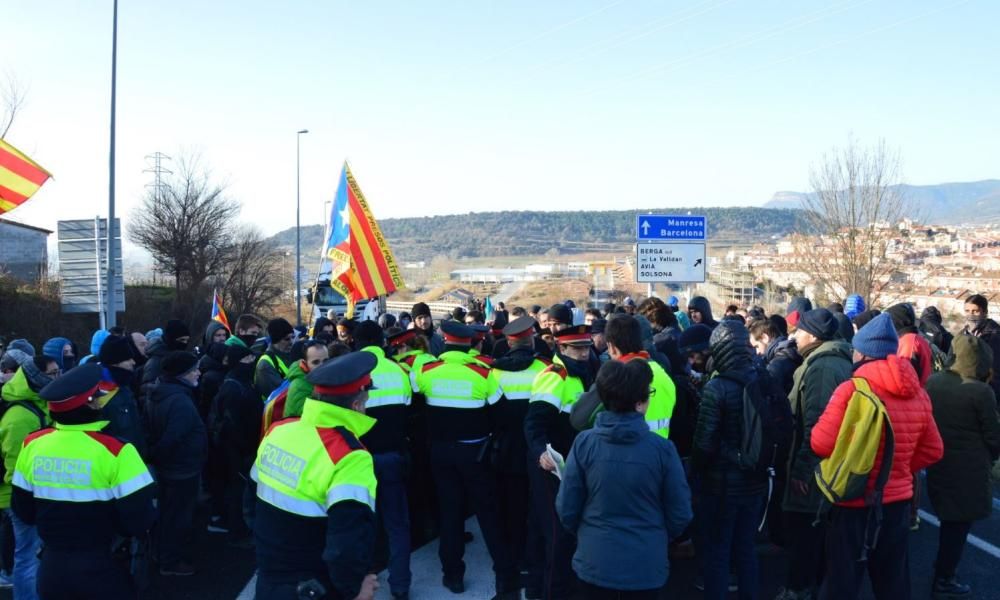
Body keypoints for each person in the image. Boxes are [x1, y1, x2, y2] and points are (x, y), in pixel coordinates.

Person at [811, 314, 943, 600]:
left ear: (862, 352)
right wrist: (899, 467)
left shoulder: (852, 389)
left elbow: (820, 443)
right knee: (893, 581)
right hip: (896, 504)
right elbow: (934, 449)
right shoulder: (919, 394)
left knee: (842, 581)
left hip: (853, 500)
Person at [10, 364, 156, 599]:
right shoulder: (118, 451)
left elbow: (24, 511)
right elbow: (140, 519)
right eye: (97, 397)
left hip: (52, 568)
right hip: (103, 566)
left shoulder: (32, 444)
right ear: (90, 404)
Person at [556, 359, 692, 600]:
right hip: (645, 563)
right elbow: (680, 512)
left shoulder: (584, 443)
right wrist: (657, 536)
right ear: (640, 403)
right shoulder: (662, 450)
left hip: (594, 559)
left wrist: (588, 533)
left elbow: (567, 507)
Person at [251, 352, 380, 600]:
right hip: (313, 587)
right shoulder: (350, 456)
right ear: (356, 405)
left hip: (269, 578)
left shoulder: (279, 429)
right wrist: (353, 590)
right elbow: (347, 545)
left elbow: (250, 501)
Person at [412, 321, 518, 598]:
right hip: (475, 454)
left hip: (440, 454)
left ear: (444, 342)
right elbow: (502, 415)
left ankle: (453, 576)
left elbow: (414, 399)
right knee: (488, 514)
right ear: (471, 343)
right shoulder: (482, 373)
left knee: (450, 513)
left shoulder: (426, 370)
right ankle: (506, 578)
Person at [691, 320, 769, 600]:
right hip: (756, 481)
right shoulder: (762, 377)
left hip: (721, 485)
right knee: (746, 549)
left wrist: (696, 474)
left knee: (718, 551)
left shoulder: (718, 387)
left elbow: (704, 442)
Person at [778, 309, 853, 600]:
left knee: (807, 532)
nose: (793, 336)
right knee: (815, 533)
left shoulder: (823, 368)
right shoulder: (828, 360)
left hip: (816, 468)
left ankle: (799, 590)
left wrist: (801, 470)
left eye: (798, 331)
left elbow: (817, 425)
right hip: (825, 465)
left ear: (813, 335)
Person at [525, 325, 600, 600]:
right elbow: (534, 423)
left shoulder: (584, 372)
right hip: (552, 467)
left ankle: (535, 588)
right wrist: (540, 453)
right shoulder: (555, 377)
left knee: (540, 530)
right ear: (562, 349)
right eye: (577, 348)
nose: (583, 353)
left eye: (585, 347)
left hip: (571, 466)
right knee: (559, 536)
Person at [925, 335, 1000, 598]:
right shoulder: (981, 391)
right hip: (968, 468)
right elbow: (994, 436)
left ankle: (942, 573)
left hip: (937, 461)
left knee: (948, 521)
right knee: (957, 529)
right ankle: (944, 578)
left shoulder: (933, 382)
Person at [490, 317, 552, 595]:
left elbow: (492, 414)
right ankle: (534, 561)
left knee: (511, 509)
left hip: (507, 451)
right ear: (531, 340)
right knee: (538, 509)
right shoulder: (545, 369)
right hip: (539, 450)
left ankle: (512, 560)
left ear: (509, 343)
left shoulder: (494, 373)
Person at [355, 321, 413, 600]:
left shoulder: (352, 372)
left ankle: (363, 583)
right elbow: (409, 410)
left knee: (361, 524)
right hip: (392, 457)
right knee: (397, 525)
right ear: (382, 341)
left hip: (357, 460)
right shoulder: (399, 371)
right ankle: (400, 586)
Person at [146, 351, 207, 576]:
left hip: (173, 467)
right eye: (194, 370)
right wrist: (158, 454)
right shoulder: (179, 400)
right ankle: (170, 561)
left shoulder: (162, 392)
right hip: (181, 468)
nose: (198, 373)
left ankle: (162, 553)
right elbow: (173, 437)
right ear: (182, 374)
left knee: (169, 513)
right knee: (177, 516)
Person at [0, 352, 55, 600]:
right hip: (19, 495)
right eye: (52, 374)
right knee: (27, 556)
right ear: (36, 377)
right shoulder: (21, 416)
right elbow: (16, 465)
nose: (57, 378)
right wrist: (30, 499)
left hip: (29, 492)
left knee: (31, 554)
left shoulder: (36, 403)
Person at [208, 344, 261, 539]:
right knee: (237, 491)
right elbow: (233, 424)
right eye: (247, 360)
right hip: (236, 450)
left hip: (242, 447)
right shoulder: (233, 386)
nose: (251, 363)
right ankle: (237, 531)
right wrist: (245, 448)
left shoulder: (241, 381)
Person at [97, 335, 147, 457]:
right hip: (117, 462)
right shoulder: (100, 393)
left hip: (134, 458)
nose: (133, 362)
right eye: (128, 359)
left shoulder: (123, 386)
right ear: (115, 362)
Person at [959, 294, 1000, 400]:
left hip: (988, 392)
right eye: (967, 311)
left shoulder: (995, 334)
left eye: (975, 311)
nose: (970, 315)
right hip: (967, 389)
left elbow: (995, 370)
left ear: (985, 312)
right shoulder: (963, 334)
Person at [282, 340, 331, 419]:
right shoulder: (298, 386)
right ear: (305, 364)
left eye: (326, 361)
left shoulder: (320, 379)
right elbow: (309, 416)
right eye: (316, 362)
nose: (322, 366)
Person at [255, 318, 295, 401]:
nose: (291, 342)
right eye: (287, 339)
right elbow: (280, 395)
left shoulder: (290, 356)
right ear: (276, 340)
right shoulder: (265, 365)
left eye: (293, 337)